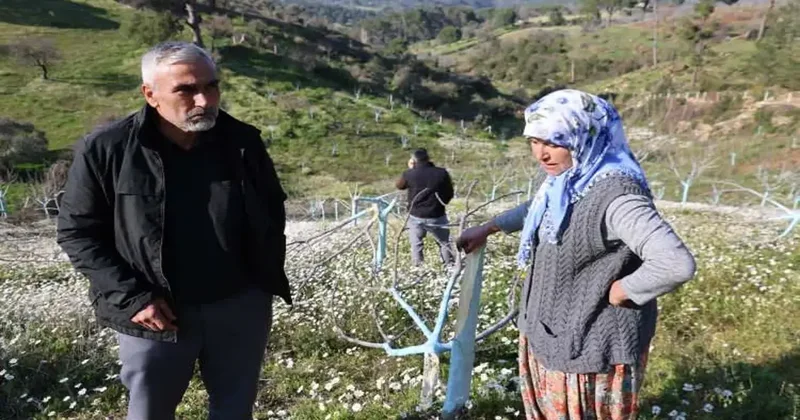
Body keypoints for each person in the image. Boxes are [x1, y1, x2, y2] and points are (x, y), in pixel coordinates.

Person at [56, 41, 291, 420]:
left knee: (234, 410)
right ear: (150, 94)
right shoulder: (106, 149)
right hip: (155, 313)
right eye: (186, 89)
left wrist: (258, 288)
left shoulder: (243, 142)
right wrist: (133, 298)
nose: (203, 99)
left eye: (211, 86)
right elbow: (78, 232)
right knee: (150, 412)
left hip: (239, 305)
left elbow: (271, 212)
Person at [456, 89, 696, 419]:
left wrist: (624, 290)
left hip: (591, 345)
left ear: (585, 136)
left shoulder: (617, 196)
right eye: (534, 142)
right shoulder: (571, 179)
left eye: (553, 142)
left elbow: (675, 263)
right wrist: (489, 228)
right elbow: (539, 209)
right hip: (552, 332)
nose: (541, 154)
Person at [395, 148, 455, 267]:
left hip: (416, 215)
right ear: (428, 159)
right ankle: (451, 267)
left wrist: (410, 168)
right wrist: (442, 203)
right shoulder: (441, 172)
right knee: (444, 243)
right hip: (437, 214)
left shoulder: (409, 174)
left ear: (414, 160)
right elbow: (449, 192)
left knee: (416, 244)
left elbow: (400, 186)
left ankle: (418, 270)